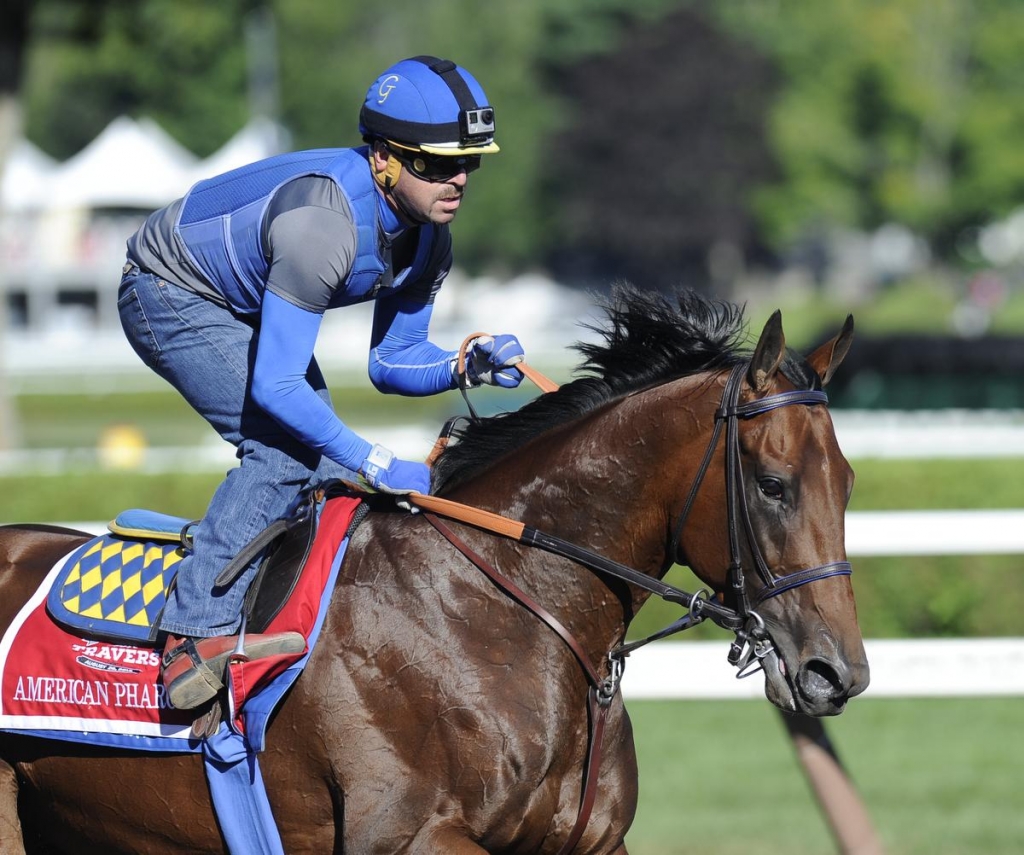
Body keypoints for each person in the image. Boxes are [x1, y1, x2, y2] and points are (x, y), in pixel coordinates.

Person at [117, 56, 525, 710]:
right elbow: (278, 388)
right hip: (169, 290)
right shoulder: (322, 225)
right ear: (383, 159)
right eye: (437, 163)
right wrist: (377, 459)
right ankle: (191, 635)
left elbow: (392, 362)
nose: (458, 179)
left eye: (470, 162)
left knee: (313, 452)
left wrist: (460, 366)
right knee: (287, 448)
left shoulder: (429, 239)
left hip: (241, 300)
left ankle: (261, 602)